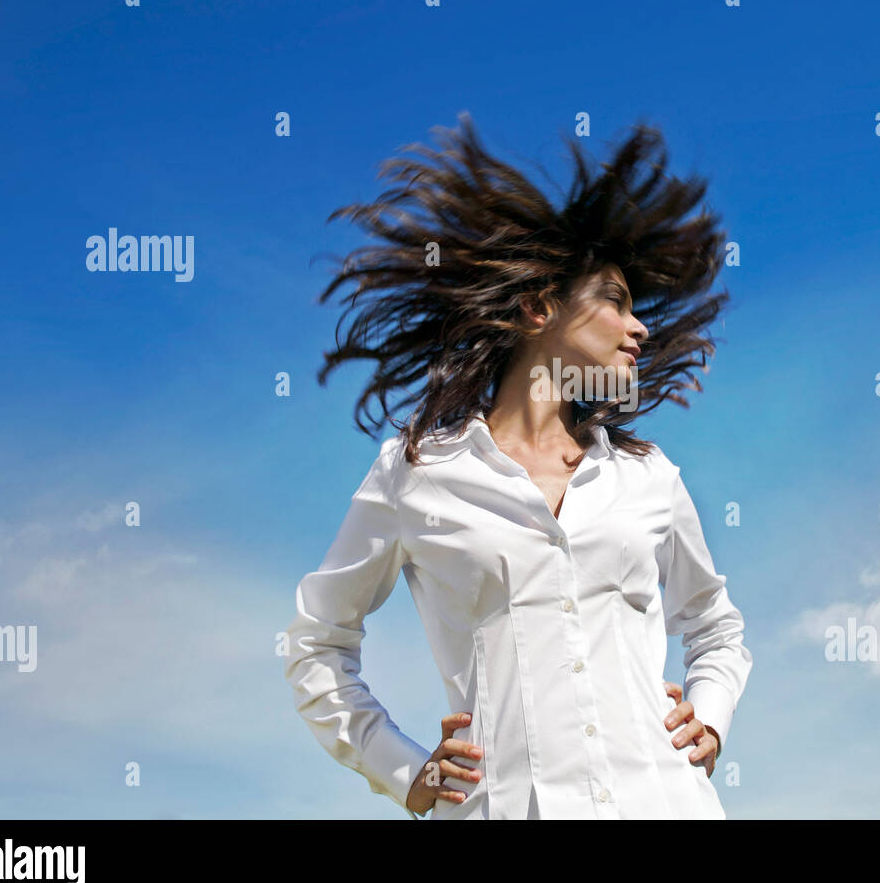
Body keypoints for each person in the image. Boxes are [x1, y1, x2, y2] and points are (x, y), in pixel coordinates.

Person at [283, 114, 752, 819]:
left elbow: (715, 624)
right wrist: (402, 769)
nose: (640, 327)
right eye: (616, 303)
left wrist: (709, 716)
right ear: (538, 309)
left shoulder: (648, 477)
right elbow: (315, 642)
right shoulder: (415, 473)